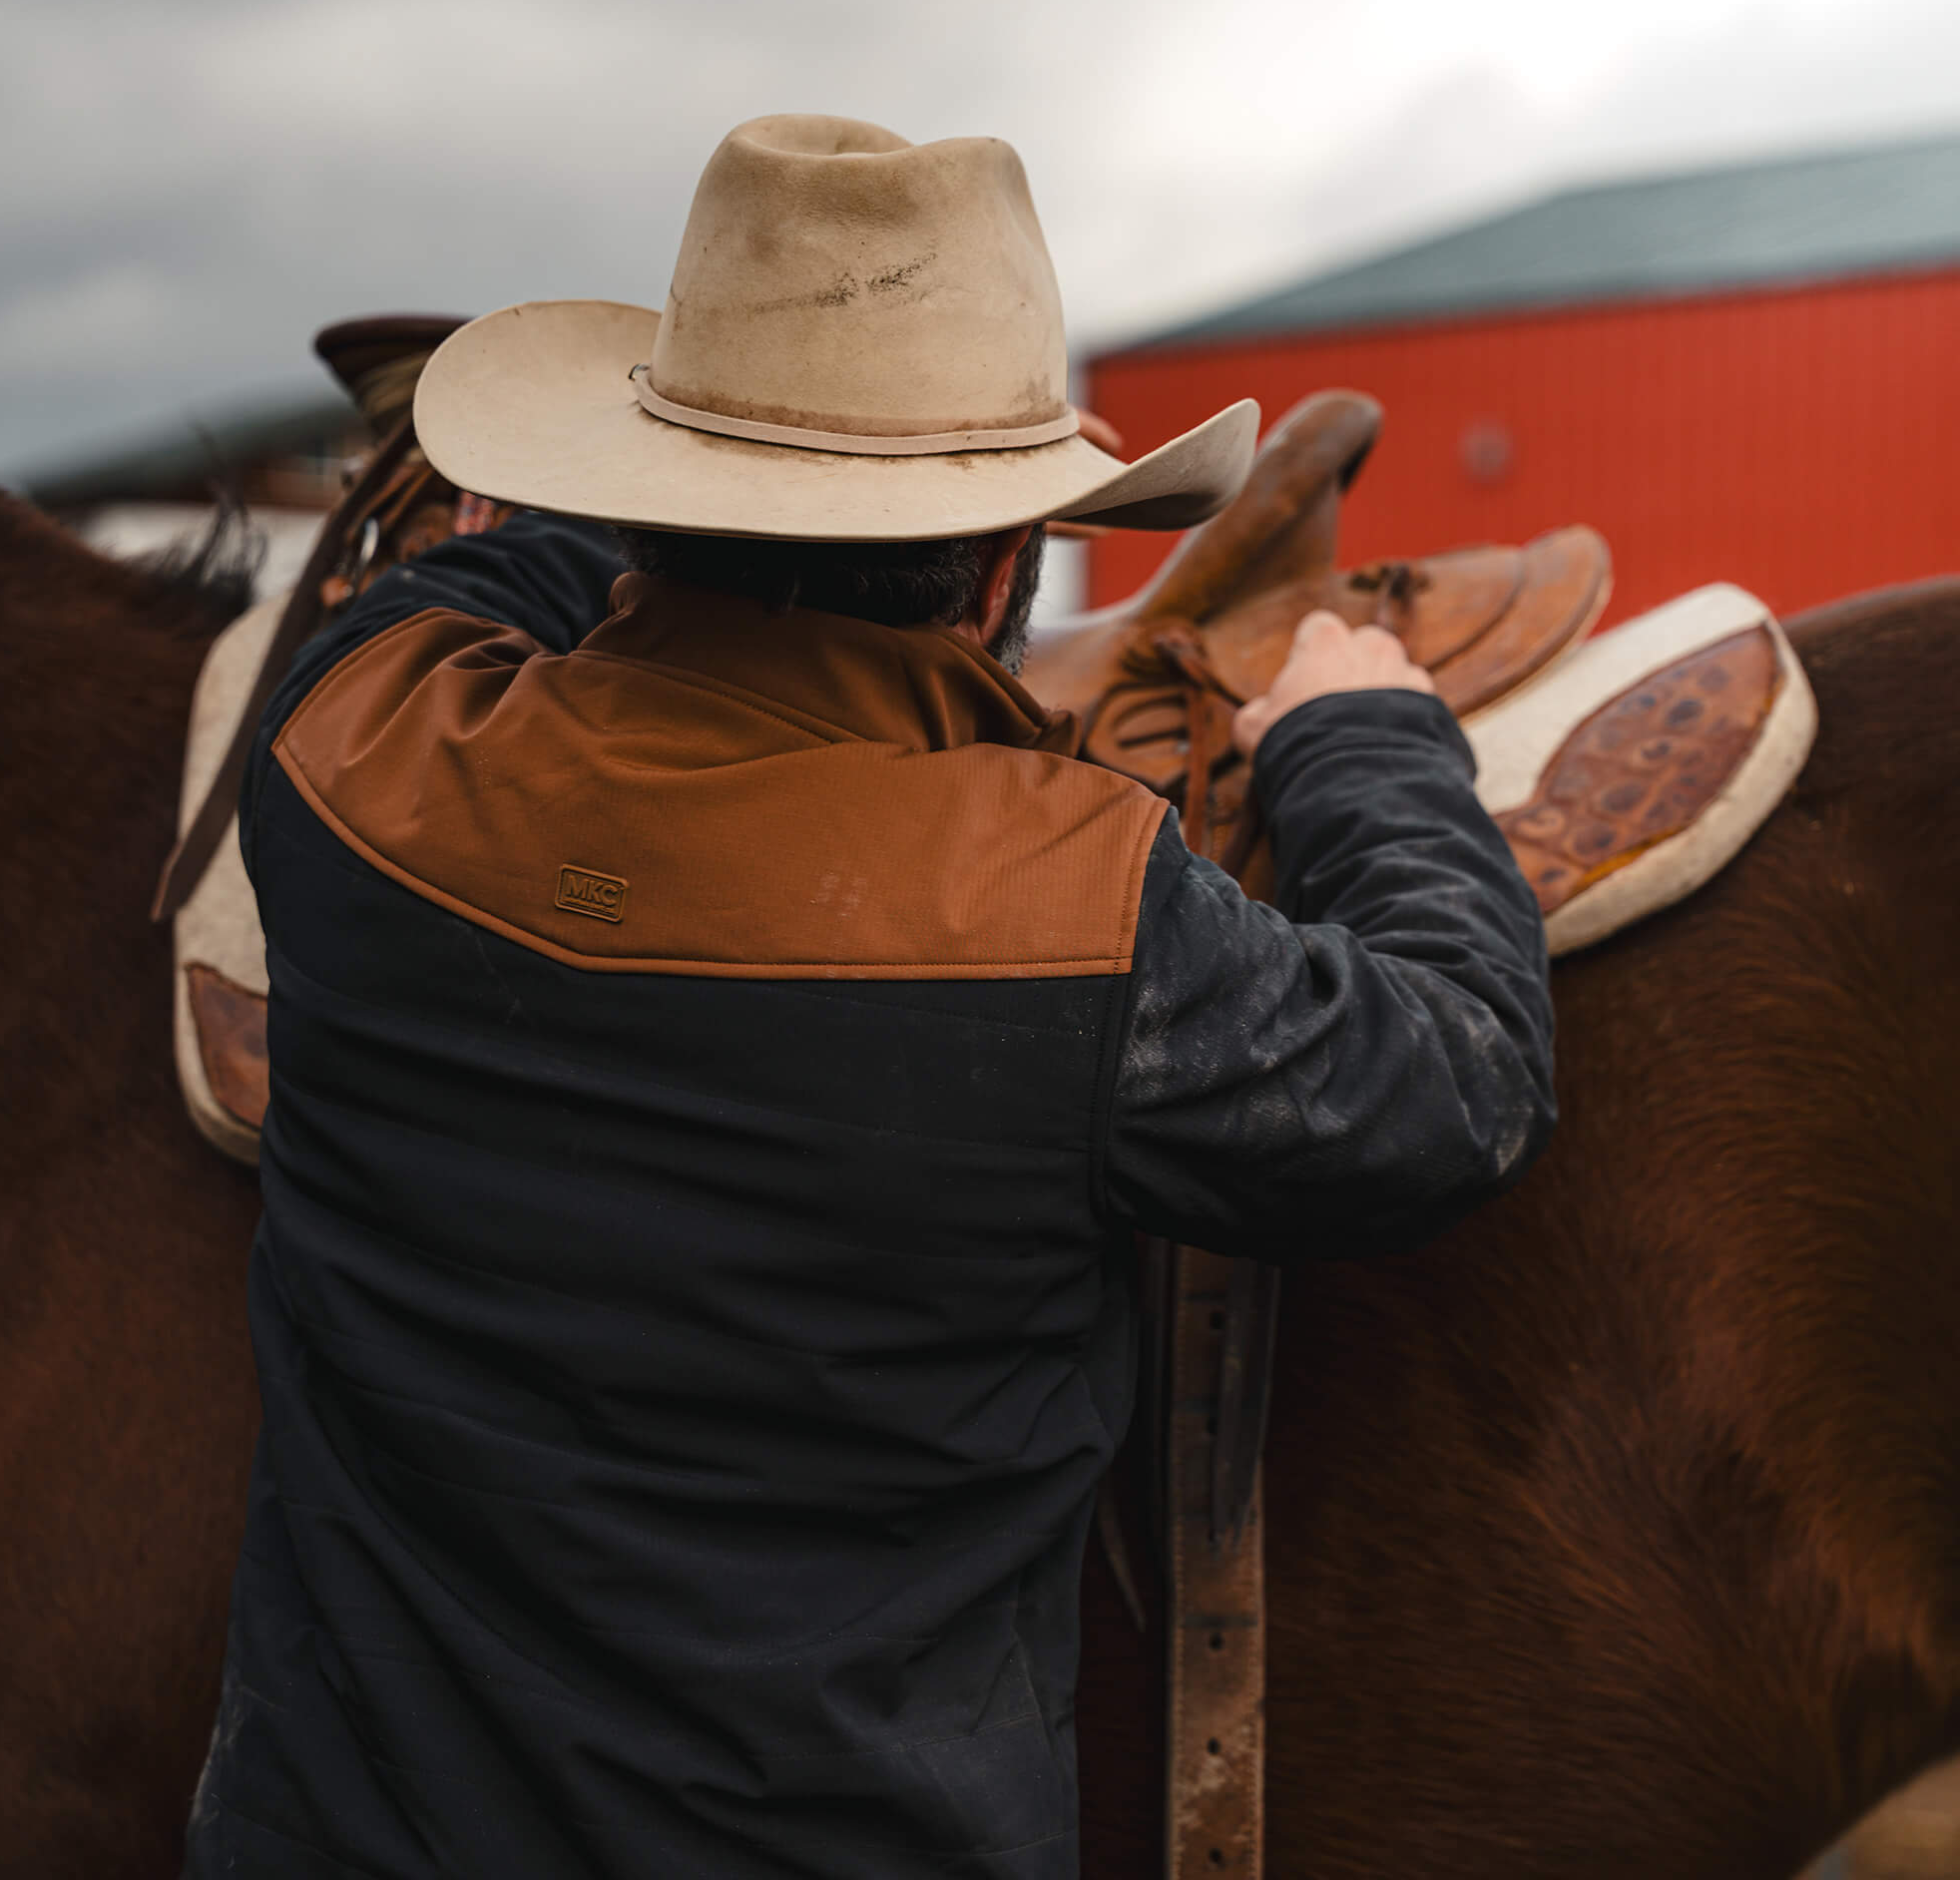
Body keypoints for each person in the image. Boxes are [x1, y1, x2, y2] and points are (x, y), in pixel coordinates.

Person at [185, 115, 1554, 1879]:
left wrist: (579, 494)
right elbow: (1458, 1077)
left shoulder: (347, 752)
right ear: (1001, 574)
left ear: (646, 504)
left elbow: (458, 584)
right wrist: (1365, 743)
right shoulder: (1077, 903)